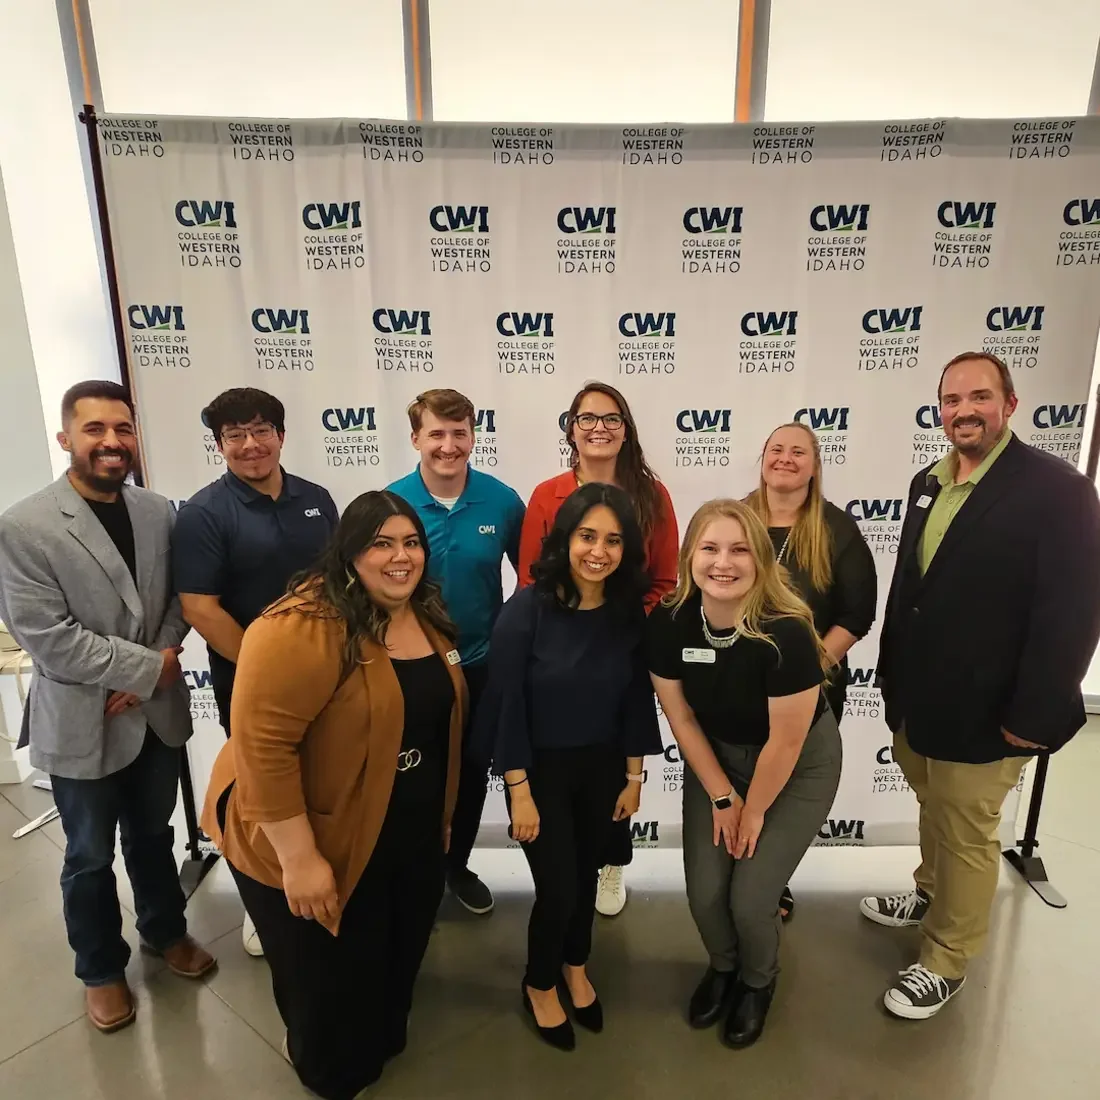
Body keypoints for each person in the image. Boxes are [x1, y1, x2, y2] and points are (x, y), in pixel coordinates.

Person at [201, 491, 466, 1100]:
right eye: (381, 543)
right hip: (312, 839)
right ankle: (330, 1069)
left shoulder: (421, 610)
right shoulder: (299, 626)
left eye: (410, 543)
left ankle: (372, 1040)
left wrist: (441, 820)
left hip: (406, 834)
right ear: (347, 553)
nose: (400, 557)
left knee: (393, 964)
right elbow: (263, 748)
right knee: (327, 990)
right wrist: (300, 858)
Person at [863, 352, 1100, 1020]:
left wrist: (1035, 712)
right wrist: (890, 680)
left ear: (1010, 404)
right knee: (934, 808)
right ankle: (931, 893)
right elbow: (912, 590)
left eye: (979, 397)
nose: (963, 410)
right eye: (951, 399)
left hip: (995, 712)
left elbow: (1074, 612)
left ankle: (946, 958)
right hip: (920, 701)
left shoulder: (1057, 490)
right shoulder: (928, 481)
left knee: (967, 829)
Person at [0, 381, 215, 1034]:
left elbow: (182, 601)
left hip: (155, 717)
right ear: (66, 438)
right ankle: (99, 969)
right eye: (94, 429)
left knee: (154, 836)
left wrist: (162, 663)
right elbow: (48, 637)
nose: (112, 442)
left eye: (122, 428)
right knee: (89, 857)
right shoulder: (25, 525)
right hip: (83, 722)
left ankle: (164, 932)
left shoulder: (159, 512)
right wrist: (150, 670)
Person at [647, 499, 841, 1049]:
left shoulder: (787, 631)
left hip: (796, 766)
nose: (722, 562)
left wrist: (752, 811)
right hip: (716, 760)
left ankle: (758, 981)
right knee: (706, 891)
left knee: (752, 897)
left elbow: (787, 739)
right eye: (709, 548)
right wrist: (724, 798)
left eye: (738, 549)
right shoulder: (669, 620)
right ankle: (724, 966)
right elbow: (680, 716)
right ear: (689, 558)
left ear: (760, 559)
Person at [478, 483, 662, 1051]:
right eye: (587, 536)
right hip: (540, 774)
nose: (598, 551)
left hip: (604, 771)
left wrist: (633, 778)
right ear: (565, 539)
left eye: (612, 539)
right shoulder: (525, 611)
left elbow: (636, 698)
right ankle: (539, 981)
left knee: (587, 879)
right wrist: (519, 791)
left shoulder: (626, 612)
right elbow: (505, 706)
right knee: (558, 888)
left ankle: (576, 966)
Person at [173, 387, 338, 956]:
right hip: (251, 685)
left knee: (324, 780)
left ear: (282, 435)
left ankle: (323, 876)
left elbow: (336, 587)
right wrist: (269, 672)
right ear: (219, 445)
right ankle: (267, 900)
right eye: (234, 436)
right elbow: (199, 606)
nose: (250, 445)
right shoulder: (203, 514)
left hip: (329, 678)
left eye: (261, 430)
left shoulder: (317, 500)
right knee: (264, 791)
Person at [518, 381, 678, 918]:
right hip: (560, 644)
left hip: (624, 641)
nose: (599, 428)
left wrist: (625, 623)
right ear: (571, 429)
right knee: (563, 759)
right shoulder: (547, 495)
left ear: (625, 429)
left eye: (611, 418)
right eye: (586, 418)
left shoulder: (653, 496)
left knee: (618, 757)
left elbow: (664, 579)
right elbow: (529, 578)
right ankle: (562, 863)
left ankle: (612, 863)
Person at [388, 389, 525, 916]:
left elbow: (532, 577)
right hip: (410, 665)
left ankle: (456, 867)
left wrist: (511, 634)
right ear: (417, 437)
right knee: (411, 772)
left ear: (473, 435)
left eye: (459, 433)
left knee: (470, 774)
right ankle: (413, 873)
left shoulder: (501, 500)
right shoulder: (394, 502)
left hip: (481, 665)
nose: (449, 445)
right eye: (437, 434)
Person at [745, 422, 877, 919]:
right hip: (739, 689)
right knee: (742, 783)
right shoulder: (738, 520)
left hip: (811, 690)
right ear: (762, 458)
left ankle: (772, 880)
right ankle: (738, 871)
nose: (785, 458)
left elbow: (856, 614)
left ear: (815, 465)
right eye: (775, 448)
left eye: (798, 451)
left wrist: (805, 673)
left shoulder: (836, 529)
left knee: (787, 789)